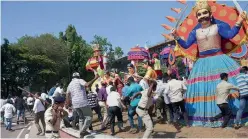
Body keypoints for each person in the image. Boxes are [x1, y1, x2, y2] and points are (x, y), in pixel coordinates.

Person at [171, 0, 247, 126]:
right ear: (197, 17)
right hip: (202, 65)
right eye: (199, 14)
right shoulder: (195, 32)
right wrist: (176, 36)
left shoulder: (218, 27)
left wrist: (239, 20)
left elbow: (230, 34)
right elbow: (185, 45)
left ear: (210, 14)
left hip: (220, 59)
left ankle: (235, 118)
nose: (202, 16)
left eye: (205, 13)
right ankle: (207, 119)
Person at [65, 72, 99, 137]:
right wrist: (95, 78)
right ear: (78, 76)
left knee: (81, 118)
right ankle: (82, 131)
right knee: (89, 116)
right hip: (82, 102)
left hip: (75, 104)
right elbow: (87, 84)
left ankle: (81, 132)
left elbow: (67, 94)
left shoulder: (70, 84)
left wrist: (67, 103)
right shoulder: (79, 80)